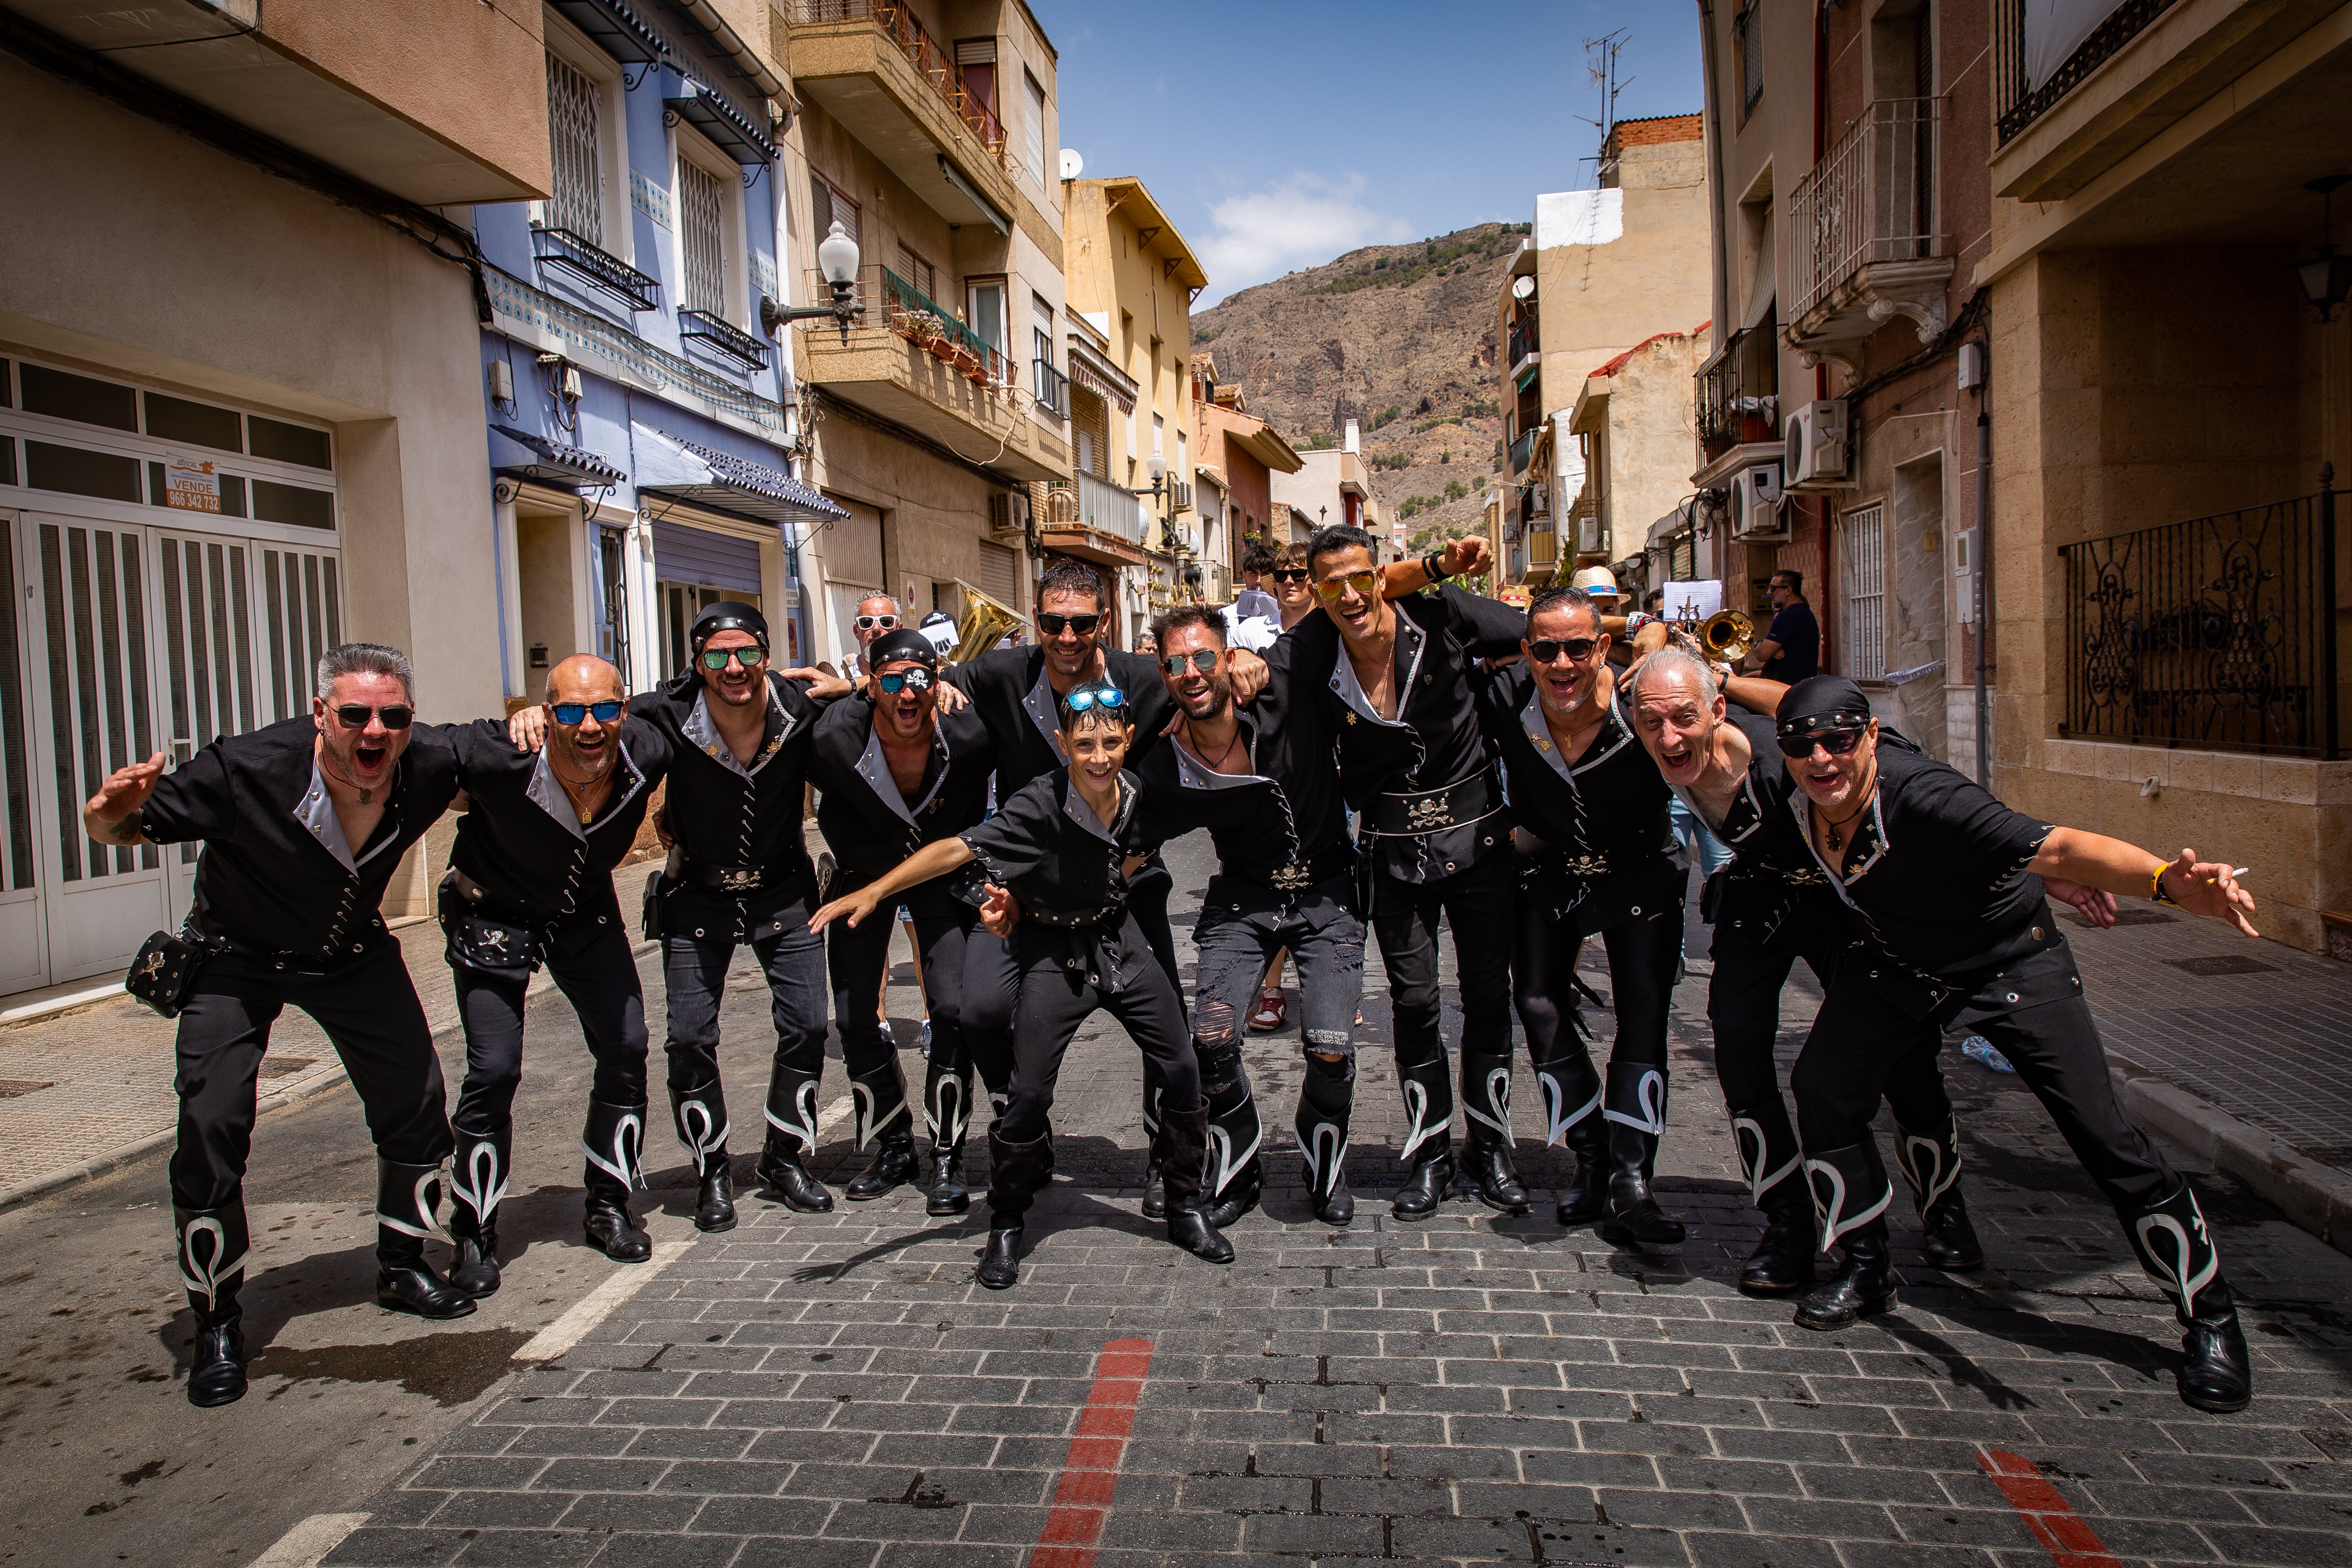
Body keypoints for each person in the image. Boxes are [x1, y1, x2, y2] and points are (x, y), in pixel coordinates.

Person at [1768, 674, 2260, 1412]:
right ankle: (1865, 1266)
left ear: (1871, 736)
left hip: (2010, 963)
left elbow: (2059, 844)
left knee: (2107, 1139)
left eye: (1839, 741)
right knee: (1823, 1087)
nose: (1821, 760)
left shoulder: (1927, 795)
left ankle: (2212, 1320)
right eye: (1802, 747)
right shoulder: (1796, 786)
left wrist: (2165, 881)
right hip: (1903, 965)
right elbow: (1775, 698)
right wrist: (1717, 675)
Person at [81, 644, 470, 1408]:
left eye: (392, 716)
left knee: (417, 1095)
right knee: (212, 1117)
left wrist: (536, 723)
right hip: (236, 956)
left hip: (350, 953)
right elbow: (127, 827)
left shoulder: (429, 761)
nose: (375, 732)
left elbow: (541, 737)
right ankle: (217, 1321)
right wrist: (103, 817)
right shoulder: (244, 769)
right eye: (355, 714)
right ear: (321, 714)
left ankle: (403, 1264)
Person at [810, 682, 1231, 1287]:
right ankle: (1006, 1222)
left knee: (1183, 1068)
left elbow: (1184, 817)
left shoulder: (1142, 793)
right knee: (1029, 1094)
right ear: (1062, 744)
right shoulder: (1039, 802)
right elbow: (953, 850)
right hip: (1054, 952)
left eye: (1111, 742)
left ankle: (1186, 1205)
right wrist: (876, 890)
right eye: (1084, 744)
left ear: (1128, 740)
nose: (1098, 756)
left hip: (1120, 943)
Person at [1626, 649, 1982, 1297]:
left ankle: (1943, 1205)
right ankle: (1788, 1222)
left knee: (1905, 1058)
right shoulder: (1649, 751)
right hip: (1758, 892)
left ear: (1716, 711)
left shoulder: (1780, 754)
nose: (1670, 736)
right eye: (1652, 720)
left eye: (1684, 717)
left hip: (1838, 899)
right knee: (1735, 1040)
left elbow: (1891, 766)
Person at [514, 604, 852, 1222]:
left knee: (807, 1026)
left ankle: (783, 1158)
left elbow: (882, 705)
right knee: (691, 1038)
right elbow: (592, 715)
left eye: (746, 652)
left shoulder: (800, 708)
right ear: (697, 662)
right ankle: (712, 1170)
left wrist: (855, 683)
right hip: (695, 894)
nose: (733, 667)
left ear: (766, 656)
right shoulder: (662, 713)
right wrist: (540, 713)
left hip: (785, 891)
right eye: (717, 655)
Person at [1286, 526, 1528, 1217]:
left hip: (1480, 842)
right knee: (1416, 1003)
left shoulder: (1440, 614)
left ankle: (1494, 1148)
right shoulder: (1314, 652)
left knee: (1486, 995)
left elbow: (1534, 631)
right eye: (1330, 584)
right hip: (1393, 854)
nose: (1351, 594)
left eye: (1362, 577)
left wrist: (1642, 641)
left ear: (1382, 575)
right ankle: (1432, 1154)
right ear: (1315, 591)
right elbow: (1262, 678)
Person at [1478, 586, 1725, 1237]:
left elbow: (1706, 723)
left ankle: (1631, 1182)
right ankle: (1591, 1156)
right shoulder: (1506, 697)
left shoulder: (1636, 703)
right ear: (1526, 652)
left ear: (1603, 647)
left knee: (1642, 1012)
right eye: (1547, 649)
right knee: (1535, 1000)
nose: (1563, 664)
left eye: (1578, 648)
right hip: (1550, 871)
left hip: (1640, 872)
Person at [436, 655, 666, 1296]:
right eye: (568, 710)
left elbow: (723, 692)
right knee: (493, 1068)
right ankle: (474, 1229)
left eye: (602, 709)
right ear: (546, 710)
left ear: (625, 707)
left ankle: (608, 1205)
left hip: (581, 910)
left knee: (626, 1045)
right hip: (494, 915)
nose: (588, 725)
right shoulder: (502, 753)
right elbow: (407, 746)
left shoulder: (647, 745)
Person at [1134, 604, 1362, 1226]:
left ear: (1228, 657)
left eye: (1204, 656)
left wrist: (1435, 566)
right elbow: (1118, 836)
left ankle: (1325, 1163)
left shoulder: (1283, 685)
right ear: (1163, 673)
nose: (1193, 672)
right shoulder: (1164, 762)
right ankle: (1239, 1165)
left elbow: (1344, 601)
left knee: (1330, 1045)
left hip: (1328, 893)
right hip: (1242, 896)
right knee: (1210, 1038)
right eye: (1177, 663)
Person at [805, 631, 996, 1213]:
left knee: (952, 1009)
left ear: (937, 684)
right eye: (892, 680)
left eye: (920, 679)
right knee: (856, 1015)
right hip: (859, 878)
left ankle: (945, 1154)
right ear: (870, 683)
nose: (907, 694)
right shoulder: (832, 736)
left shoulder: (970, 735)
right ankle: (893, 1145)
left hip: (939, 877)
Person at [1743, 570, 1819, 684]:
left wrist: (1759, 644)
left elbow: (1761, 655)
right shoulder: (1803, 613)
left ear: (1788, 590)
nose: (1769, 592)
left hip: (1786, 688)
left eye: (1773, 588)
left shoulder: (1789, 615)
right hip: (1797, 685)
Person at [1233, 541, 1281, 625]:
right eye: (1253, 574)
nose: (1259, 580)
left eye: (1265, 574)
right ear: (1244, 575)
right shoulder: (1225, 616)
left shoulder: (1284, 616)